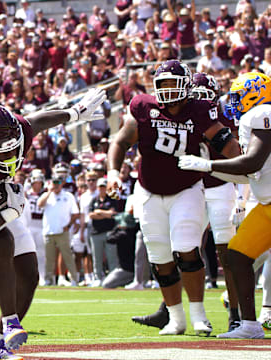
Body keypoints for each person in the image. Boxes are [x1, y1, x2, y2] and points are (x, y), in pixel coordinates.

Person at [0, 88, 106, 358]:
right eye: (2, 153)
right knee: (3, 243)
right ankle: (10, 322)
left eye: (13, 148)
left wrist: (74, 113)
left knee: (29, 274)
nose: (11, 156)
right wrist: (7, 214)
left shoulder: (15, 130)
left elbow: (36, 121)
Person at [107, 59, 240, 336]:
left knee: (187, 249)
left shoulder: (199, 110)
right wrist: (112, 172)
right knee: (159, 256)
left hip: (187, 189)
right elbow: (120, 141)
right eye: (162, 84)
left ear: (186, 86)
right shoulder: (143, 107)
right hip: (148, 190)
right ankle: (176, 319)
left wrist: (248, 164)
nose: (167, 90)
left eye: (172, 83)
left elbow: (225, 144)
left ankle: (199, 315)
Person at [178, 71, 271, 339]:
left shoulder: (263, 112)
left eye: (239, 95)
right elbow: (246, 174)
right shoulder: (253, 118)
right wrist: (209, 168)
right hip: (266, 204)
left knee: (240, 257)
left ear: (256, 92)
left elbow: (251, 162)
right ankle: (250, 325)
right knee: (237, 255)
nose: (234, 101)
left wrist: (208, 164)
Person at [37, 168, 79, 287]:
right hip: (48, 231)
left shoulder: (68, 196)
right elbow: (40, 204)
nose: (56, 186)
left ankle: (74, 279)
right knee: (49, 258)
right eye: (54, 183)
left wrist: (69, 225)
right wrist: (49, 191)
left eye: (58, 183)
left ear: (62, 184)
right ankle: (48, 279)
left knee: (67, 256)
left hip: (62, 231)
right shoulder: (46, 195)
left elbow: (75, 213)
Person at [89, 177, 119, 287]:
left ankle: (112, 278)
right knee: (97, 258)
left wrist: (99, 212)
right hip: (95, 233)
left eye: (104, 187)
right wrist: (104, 214)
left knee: (112, 257)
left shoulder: (112, 200)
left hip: (109, 232)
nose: (102, 189)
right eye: (100, 187)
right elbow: (91, 215)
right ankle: (97, 278)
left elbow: (112, 214)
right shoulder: (94, 200)